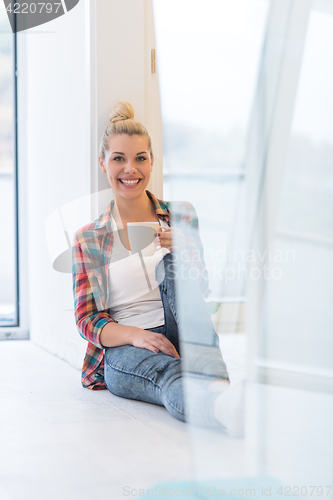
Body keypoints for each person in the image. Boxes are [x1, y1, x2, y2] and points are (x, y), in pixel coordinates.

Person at [72, 102, 243, 436]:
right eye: (118, 158)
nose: (130, 169)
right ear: (103, 163)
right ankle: (222, 406)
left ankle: (221, 389)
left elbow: (200, 289)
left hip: (185, 329)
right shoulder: (89, 238)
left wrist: (185, 248)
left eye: (140, 158)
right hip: (126, 347)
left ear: (152, 160)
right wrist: (139, 336)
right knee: (170, 374)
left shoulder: (181, 215)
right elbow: (87, 320)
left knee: (172, 266)